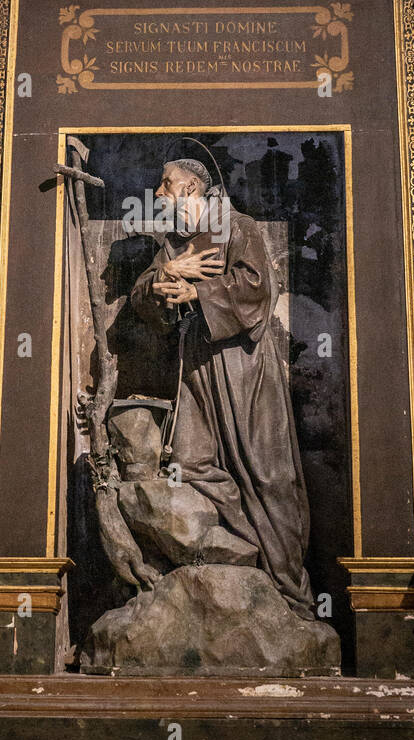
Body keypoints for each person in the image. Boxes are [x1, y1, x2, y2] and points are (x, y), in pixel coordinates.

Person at [130, 157, 316, 619]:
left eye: (165, 184)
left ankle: (288, 586)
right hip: (195, 365)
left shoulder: (238, 227)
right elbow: (141, 296)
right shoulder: (176, 243)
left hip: (243, 365)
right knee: (191, 463)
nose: (158, 194)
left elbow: (257, 286)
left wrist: (199, 294)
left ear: (192, 187)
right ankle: (240, 557)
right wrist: (166, 277)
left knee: (268, 473)